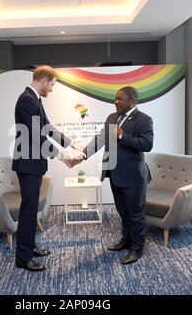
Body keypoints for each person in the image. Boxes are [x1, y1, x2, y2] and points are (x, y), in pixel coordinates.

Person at [70, 86, 154, 264]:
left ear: (132, 100)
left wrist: (123, 136)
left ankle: (137, 249)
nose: (115, 102)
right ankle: (126, 240)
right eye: (115, 98)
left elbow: (147, 144)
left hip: (133, 176)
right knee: (123, 211)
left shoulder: (144, 119)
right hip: (114, 173)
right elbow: (100, 139)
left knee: (136, 214)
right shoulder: (112, 118)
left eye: (120, 99)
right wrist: (83, 156)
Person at [12, 65, 76, 272]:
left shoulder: (35, 99)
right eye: (52, 85)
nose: (52, 89)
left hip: (34, 164)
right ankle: (23, 257)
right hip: (28, 164)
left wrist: (69, 144)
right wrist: (60, 155)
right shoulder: (25, 100)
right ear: (44, 80)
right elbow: (36, 135)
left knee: (32, 209)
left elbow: (47, 127)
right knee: (28, 210)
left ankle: (30, 248)